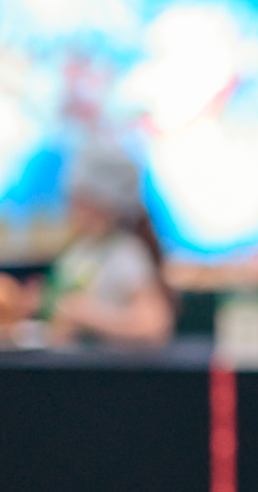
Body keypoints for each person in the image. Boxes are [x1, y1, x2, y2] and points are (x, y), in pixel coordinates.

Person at [42, 145, 174, 345]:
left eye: (79, 199)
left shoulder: (126, 253)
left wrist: (91, 317)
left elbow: (154, 325)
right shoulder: (80, 248)